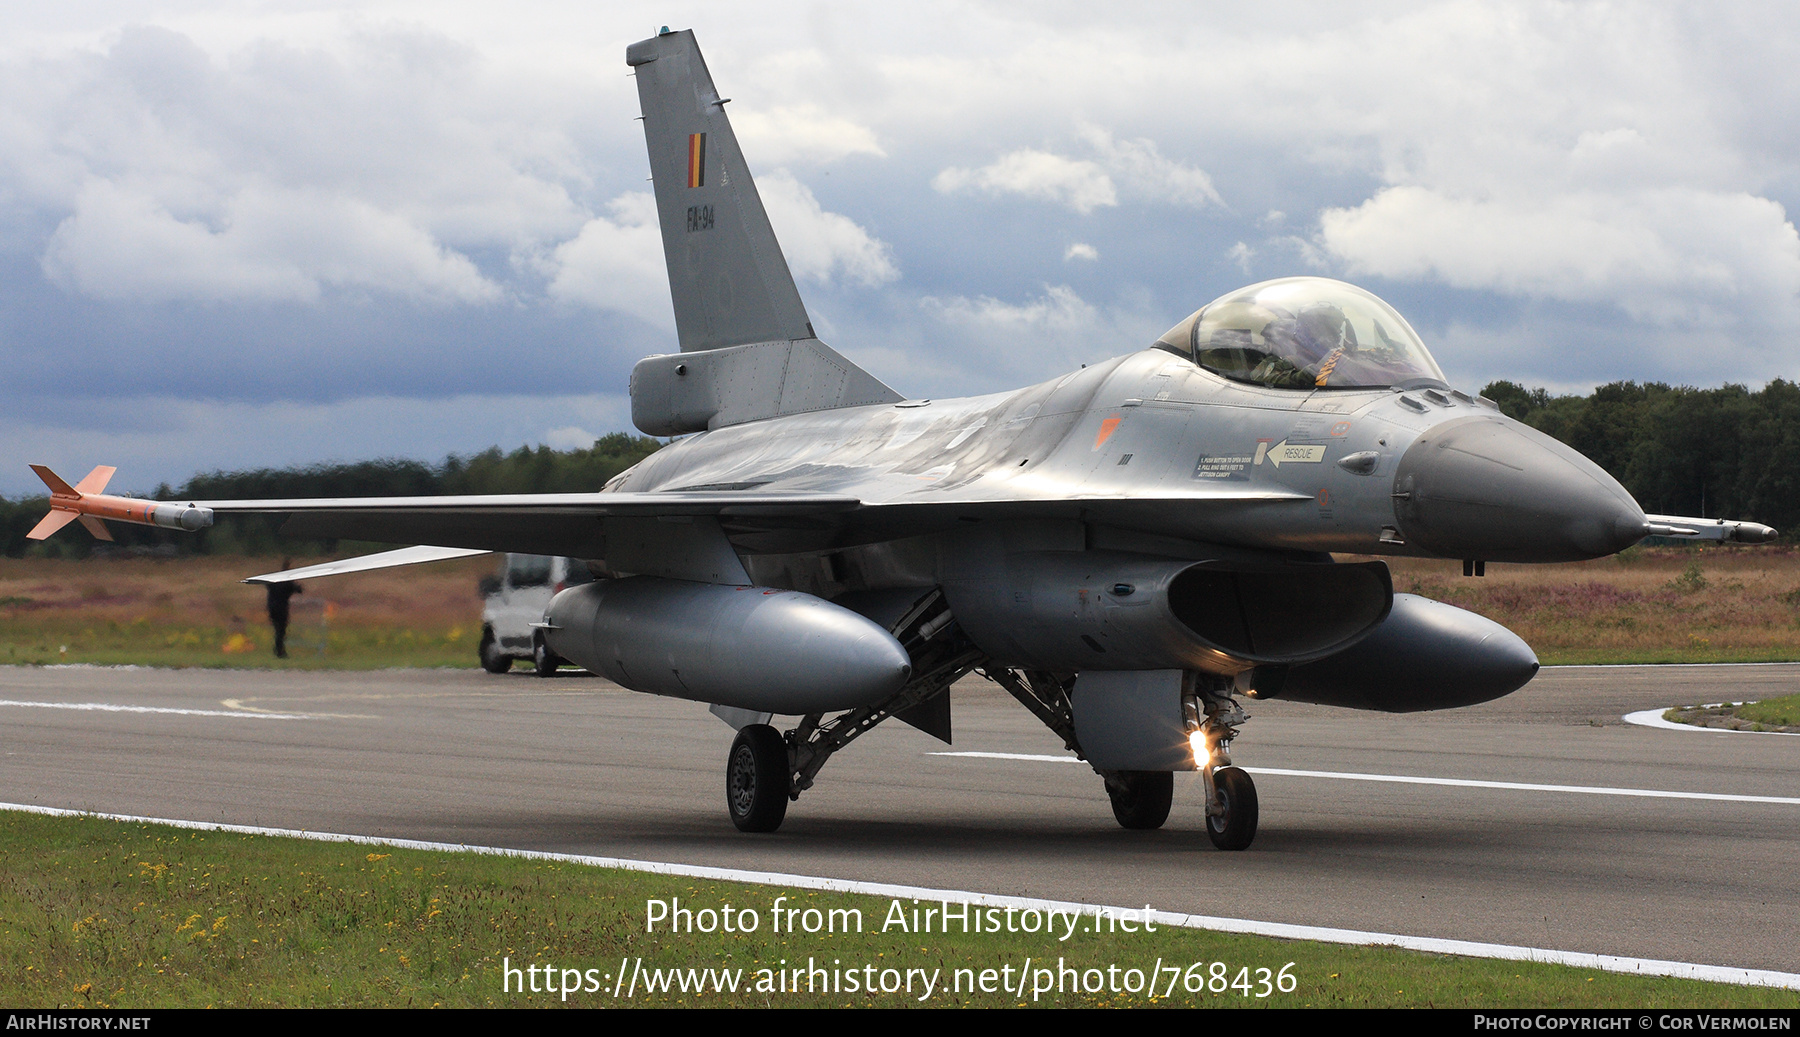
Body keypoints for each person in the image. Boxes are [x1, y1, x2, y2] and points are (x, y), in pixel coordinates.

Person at [266, 559, 303, 659]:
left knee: (278, 630)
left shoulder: (274, 580)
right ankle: (279, 651)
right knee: (281, 631)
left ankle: (278, 649)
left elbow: (267, 585)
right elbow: (299, 590)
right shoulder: (288, 582)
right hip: (281, 608)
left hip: (271, 607)